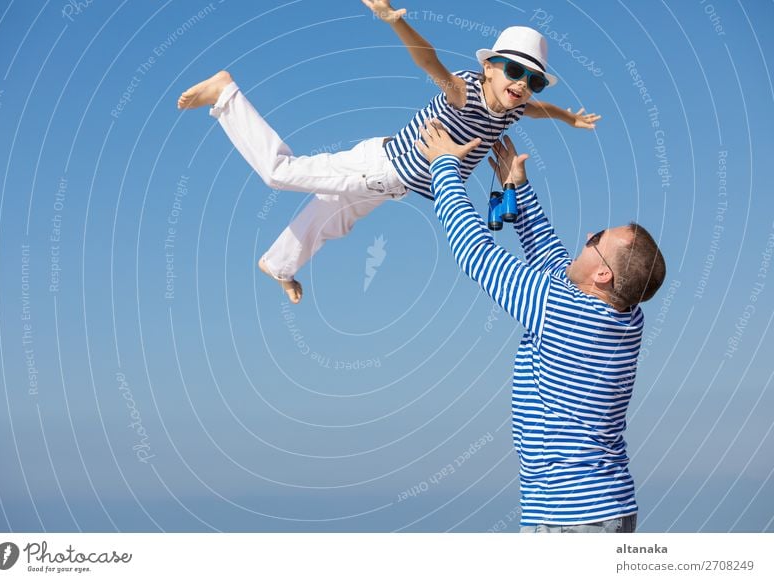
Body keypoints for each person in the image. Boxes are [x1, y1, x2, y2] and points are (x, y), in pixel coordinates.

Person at [177, 1, 600, 304]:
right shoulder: (464, 92)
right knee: (278, 172)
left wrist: (567, 118)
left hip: (393, 182)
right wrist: (396, 22)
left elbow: (538, 110)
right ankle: (225, 93)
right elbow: (429, 62)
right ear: (489, 67)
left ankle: (280, 266)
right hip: (379, 167)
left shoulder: (514, 108)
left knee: (331, 217)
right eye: (515, 72)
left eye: (534, 80)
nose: (523, 84)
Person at [416, 120, 666, 532]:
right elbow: (554, 267)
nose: (587, 235)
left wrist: (444, 167)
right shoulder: (622, 315)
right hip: (597, 509)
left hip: (573, 521)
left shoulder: (564, 312)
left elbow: (475, 253)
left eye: (596, 239)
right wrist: (519, 189)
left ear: (602, 276)